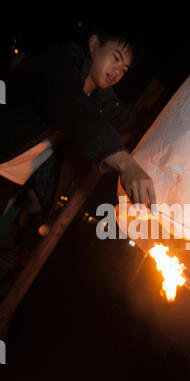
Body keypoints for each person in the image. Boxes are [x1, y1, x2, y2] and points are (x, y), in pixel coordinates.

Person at [0, 27, 156, 248]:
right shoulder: (58, 64)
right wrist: (124, 162)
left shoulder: (97, 99)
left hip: (10, 182)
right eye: (115, 58)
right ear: (94, 45)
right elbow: (72, 108)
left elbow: (129, 116)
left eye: (124, 69)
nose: (117, 72)